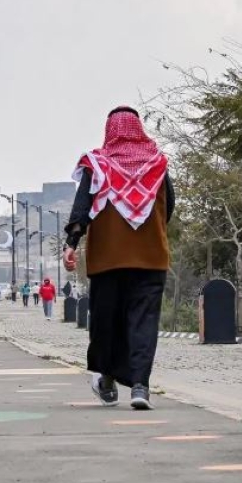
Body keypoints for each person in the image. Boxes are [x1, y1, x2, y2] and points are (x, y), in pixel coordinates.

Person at [64, 105, 174, 410]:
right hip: (151, 259)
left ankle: (108, 381)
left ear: (109, 130)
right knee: (144, 322)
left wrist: (71, 243)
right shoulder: (158, 164)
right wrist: (151, 236)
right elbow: (169, 207)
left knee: (105, 321)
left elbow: (82, 206)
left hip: (107, 261)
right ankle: (140, 387)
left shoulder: (97, 165)